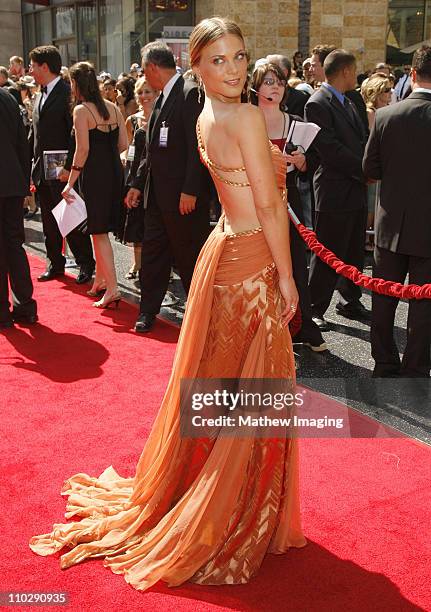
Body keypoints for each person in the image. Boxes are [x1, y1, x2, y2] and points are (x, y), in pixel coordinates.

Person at [30, 16, 306, 590]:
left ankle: (210, 487)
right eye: (219, 60)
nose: (234, 70)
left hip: (222, 252)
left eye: (239, 57)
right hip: (251, 260)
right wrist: (287, 278)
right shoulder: (247, 116)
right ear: (197, 67)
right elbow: (272, 208)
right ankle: (233, 504)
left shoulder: (206, 113)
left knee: (222, 382)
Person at [125, 41, 211, 333]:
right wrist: (137, 184)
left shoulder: (189, 94)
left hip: (183, 199)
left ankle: (201, 317)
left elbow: (196, 148)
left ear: (151, 68)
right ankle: (148, 311)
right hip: (157, 199)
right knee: (153, 257)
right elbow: (152, 149)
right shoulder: (161, 98)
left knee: (189, 259)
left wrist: (191, 190)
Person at [363, 46, 431, 378]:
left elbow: (370, 169)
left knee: (384, 299)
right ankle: (417, 367)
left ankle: (385, 362)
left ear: (413, 75)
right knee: (424, 304)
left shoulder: (387, 115)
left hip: (390, 224)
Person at [250, 62, 326, 351]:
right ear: (256, 87)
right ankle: (260, 330)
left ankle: (303, 325)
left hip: (288, 200)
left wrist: (301, 161)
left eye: (280, 82)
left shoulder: (295, 120)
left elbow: (312, 163)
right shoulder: (248, 120)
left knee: (294, 263)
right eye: (269, 82)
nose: (275, 87)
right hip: (253, 201)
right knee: (259, 267)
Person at [305, 49, 369, 331]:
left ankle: (349, 299)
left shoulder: (349, 101)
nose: (356, 77)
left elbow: (359, 140)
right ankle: (315, 308)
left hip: (354, 188)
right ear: (345, 71)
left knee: (354, 250)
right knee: (327, 253)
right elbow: (329, 149)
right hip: (333, 191)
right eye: (354, 71)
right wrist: (363, 169)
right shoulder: (318, 102)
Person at [61, 61, 127, 308]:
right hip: (113, 174)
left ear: (76, 84)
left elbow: (83, 150)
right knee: (99, 230)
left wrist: (69, 183)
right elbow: (122, 145)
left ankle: (112, 289)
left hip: (95, 177)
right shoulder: (113, 108)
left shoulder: (81, 111)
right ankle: (101, 279)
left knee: (99, 233)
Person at [28, 45, 95, 283]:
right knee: (48, 220)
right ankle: (55, 263)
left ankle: (86, 264)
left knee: (70, 218)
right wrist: (31, 166)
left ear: (45, 67)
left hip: (64, 170)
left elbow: (74, 134)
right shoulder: (39, 95)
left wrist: (69, 166)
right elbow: (35, 135)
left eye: (33, 66)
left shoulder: (68, 93)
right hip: (42, 169)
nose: (30, 70)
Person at [0, 87, 37, 328]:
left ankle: (2, 314)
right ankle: (25, 307)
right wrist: (24, 183)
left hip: (12, 182)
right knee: (14, 243)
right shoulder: (8, 98)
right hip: (12, 182)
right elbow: (23, 144)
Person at [361, 73, 392, 250]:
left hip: (383, 163)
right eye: (387, 90)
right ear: (378, 92)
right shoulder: (370, 113)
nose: (390, 93)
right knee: (372, 200)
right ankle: (366, 237)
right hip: (373, 163)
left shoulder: (384, 111)